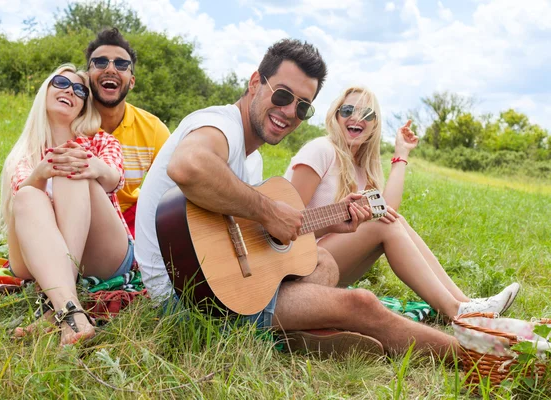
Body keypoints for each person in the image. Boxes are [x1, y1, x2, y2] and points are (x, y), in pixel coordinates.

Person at [135, 39, 461, 358]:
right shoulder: (219, 124)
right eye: (282, 95)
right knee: (361, 303)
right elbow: (188, 165)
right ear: (254, 83)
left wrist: (328, 221)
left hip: (217, 283)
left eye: (302, 106)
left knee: (323, 264)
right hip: (187, 302)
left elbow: (248, 236)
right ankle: (476, 354)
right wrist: (267, 210)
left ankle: (296, 334)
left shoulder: (253, 161)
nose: (289, 111)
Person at [284, 86, 520, 318]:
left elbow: (387, 211)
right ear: (335, 115)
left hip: (325, 267)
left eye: (366, 114)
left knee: (393, 220)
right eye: (347, 110)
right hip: (290, 268)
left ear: (375, 124)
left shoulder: (360, 167)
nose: (356, 117)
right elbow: (286, 223)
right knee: (382, 222)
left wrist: (402, 154)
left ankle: (465, 304)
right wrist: (338, 219)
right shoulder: (321, 149)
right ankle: (456, 311)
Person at [0, 64, 133, 345]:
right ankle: (68, 309)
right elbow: (20, 203)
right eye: (61, 82)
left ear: (85, 105)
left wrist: (92, 165)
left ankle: (59, 306)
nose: (69, 91)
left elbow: (114, 179)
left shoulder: (100, 142)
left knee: (72, 165)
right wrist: (40, 172)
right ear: (45, 90)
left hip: (102, 252)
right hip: (34, 257)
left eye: (80, 90)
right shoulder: (25, 153)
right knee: (26, 194)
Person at [84, 27, 170, 237]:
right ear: (87, 76)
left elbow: (173, 187)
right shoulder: (68, 119)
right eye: (100, 62)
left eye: (121, 64)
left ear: (131, 81)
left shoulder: (153, 128)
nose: (111, 69)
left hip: (129, 218)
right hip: (76, 211)